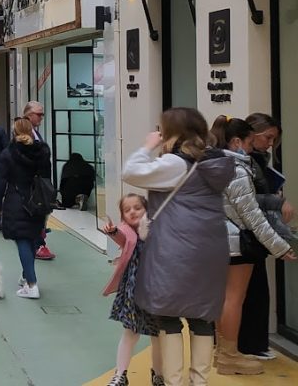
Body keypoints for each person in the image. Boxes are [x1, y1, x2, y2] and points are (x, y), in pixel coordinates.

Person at [121, 107, 234, 386]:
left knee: (169, 314)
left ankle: (173, 382)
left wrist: (148, 146)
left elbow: (131, 172)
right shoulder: (216, 161)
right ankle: (199, 382)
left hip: (175, 248)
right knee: (202, 316)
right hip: (211, 248)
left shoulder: (175, 163)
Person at [209, 116, 294, 376]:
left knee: (225, 298)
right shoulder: (235, 168)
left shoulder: (211, 163)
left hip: (215, 240)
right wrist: (280, 246)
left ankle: (222, 352)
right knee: (234, 299)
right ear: (237, 141)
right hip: (236, 242)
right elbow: (251, 216)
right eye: (249, 142)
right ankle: (229, 355)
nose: (252, 148)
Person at [239, 113, 292, 360]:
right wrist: (276, 201)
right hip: (246, 234)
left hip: (253, 231)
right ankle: (247, 345)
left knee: (254, 291)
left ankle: (249, 344)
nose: (270, 143)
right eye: (267, 137)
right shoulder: (243, 163)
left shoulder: (257, 160)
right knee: (250, 292)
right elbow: (245, 202)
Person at [100, 194, 163, 386]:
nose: (132, 212)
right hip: (133, 292)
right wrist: (112, 231)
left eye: (137, 207)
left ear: (147, 209)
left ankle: (158, 374)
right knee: (130, 332)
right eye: (127, 210)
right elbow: (121, 236)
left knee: (158, 335)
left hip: (155, 291)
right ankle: (120, 374)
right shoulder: (127, 232)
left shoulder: (155, 230)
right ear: (123, 216)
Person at [0, 117, 51, 299]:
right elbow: (47, 177)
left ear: (14, 132)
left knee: (23, 241)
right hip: (38, 200)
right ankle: (26, 276)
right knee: (33, 237)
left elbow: (0, 181)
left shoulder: (8, 154)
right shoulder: (42, 151)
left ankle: (31, 284)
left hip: (16, 200)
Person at [24, 101, 56, 260]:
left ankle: (39, 241)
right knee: (36, 212)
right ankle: (37, 244)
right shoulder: (25, 134)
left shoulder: (34, 132)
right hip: (34, 182)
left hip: (40, 181)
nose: (42, 117)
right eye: (39, 114)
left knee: (40, 212)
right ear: (29, 115)